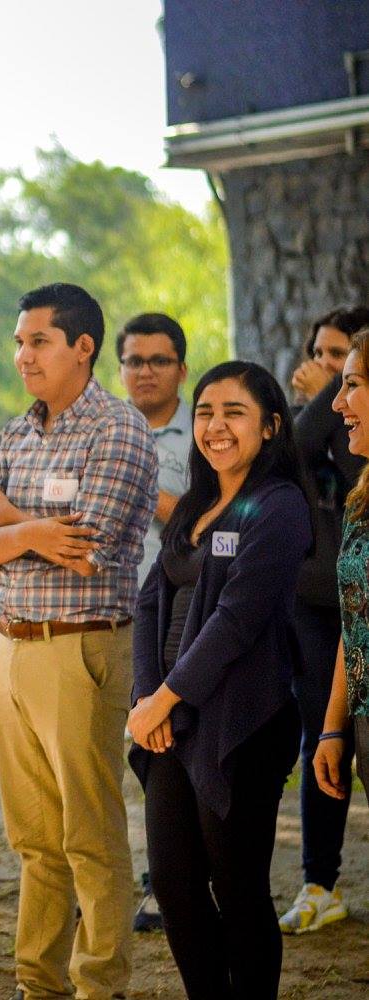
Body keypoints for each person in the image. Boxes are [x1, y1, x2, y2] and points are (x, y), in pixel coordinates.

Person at [0, 283, 156, 1000]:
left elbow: (89, 548)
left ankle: (98, 986)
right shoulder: (15, 432)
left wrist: (13, 523)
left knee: (90, 836)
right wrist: (36, 530)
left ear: (83, 347)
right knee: (34, 841)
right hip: (9, 647)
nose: (22, 356)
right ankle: (38, 986)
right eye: (19, 342)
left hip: (83, 647)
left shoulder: (118, 428)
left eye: (37, 341)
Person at [128, 361, 310, 1000]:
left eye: (234, 411)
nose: (215, 425)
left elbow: (237, 621)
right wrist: (149, 701)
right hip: (172, 721)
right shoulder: (198, 503)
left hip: (242, 722)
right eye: (205, 411)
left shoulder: (281, 506)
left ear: (271, 425)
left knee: (237, 888)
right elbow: (152, 598)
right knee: (174, 886)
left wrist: (164, 699)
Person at [281, 306, 369, 935]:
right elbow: (286, 460)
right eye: (319, 356)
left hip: (346, 604)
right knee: (321, 737)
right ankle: (320, 880)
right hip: (315, 603)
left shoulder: (334, 421)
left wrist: (319, 399)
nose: (327, 375)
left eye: (344, 365)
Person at [115, 311, 192, 935]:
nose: (145, 372)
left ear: (181, 370)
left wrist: (139, 486)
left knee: (165, 763)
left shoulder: (208, 433)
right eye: (135, 361)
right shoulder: (101, 432)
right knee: (99, 767)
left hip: (174, 629)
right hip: (99, 619)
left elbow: (209, 525)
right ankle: (114, 886)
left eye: (158, 361)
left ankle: (169, 885)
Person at [314, 325, 369, 823]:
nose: (337, 403)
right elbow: (354, 620)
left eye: (351, 384)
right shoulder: (360, 499)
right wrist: (334, 728)